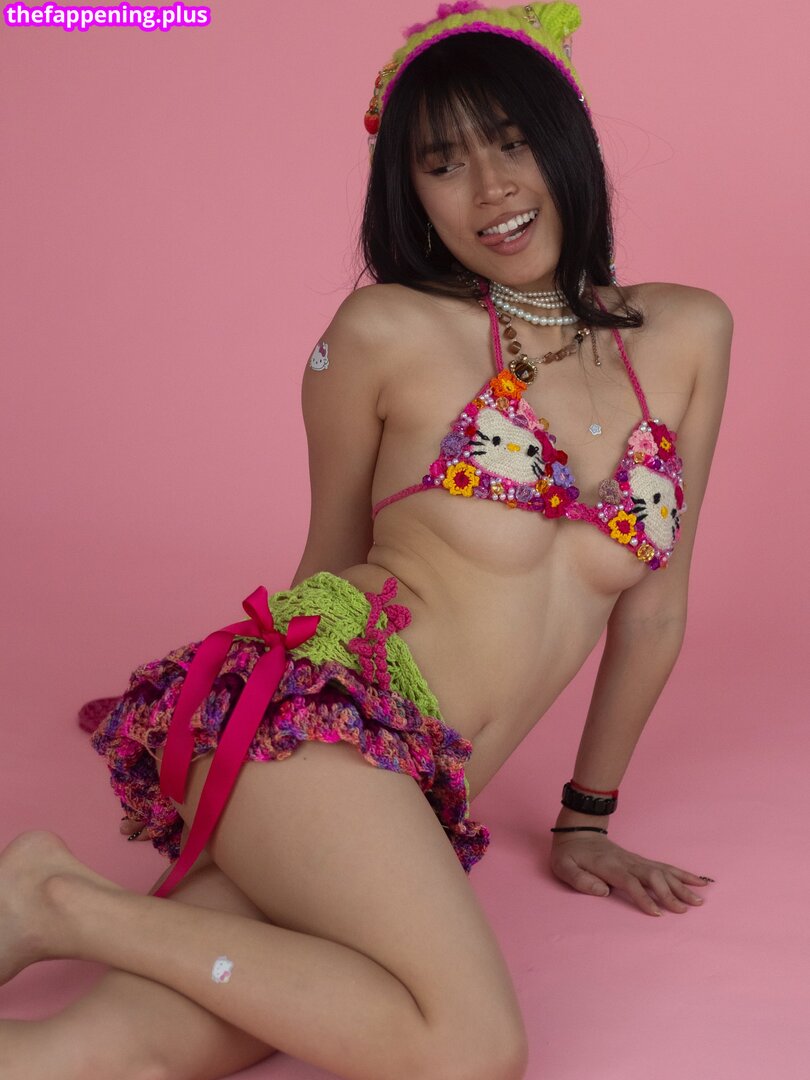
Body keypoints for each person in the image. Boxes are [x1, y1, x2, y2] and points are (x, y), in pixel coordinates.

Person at [0, 3, 732, 1079]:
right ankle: (58, 902)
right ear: (410, 193)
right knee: (473, 1049)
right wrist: (232, 761)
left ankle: (50, 918)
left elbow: (656, 611)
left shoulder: (690, 332)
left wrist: (586, 818)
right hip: (320, 729)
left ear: (567, 141)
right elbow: (329, 563)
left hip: (409, 795)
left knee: (119, 1053)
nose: (490, 188)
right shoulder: (382, 332)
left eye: (511, 143)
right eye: (444, 163)